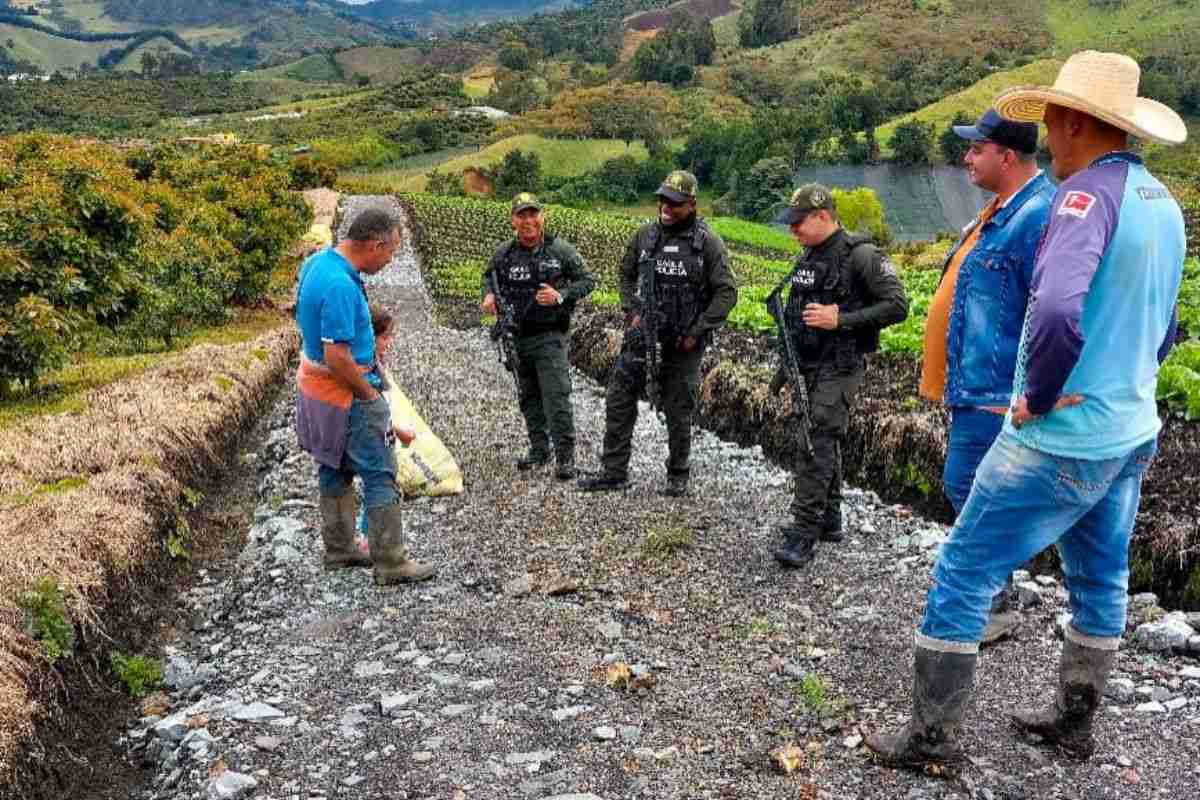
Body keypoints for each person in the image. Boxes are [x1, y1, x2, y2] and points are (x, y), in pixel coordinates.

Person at [867, 50, 1186, 768]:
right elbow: (1165, 325)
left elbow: (1057, 311)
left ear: (1074, 120)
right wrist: (1124, 377)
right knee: (1101, 577)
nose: (1046, 136)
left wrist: (1037, 398)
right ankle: (1075, 724)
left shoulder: (1082, 200)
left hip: (1061, 435)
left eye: (1049, 122)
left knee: (963, 569)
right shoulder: (1159, 202)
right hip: (1130, 429)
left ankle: (930, 739)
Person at [919, 109, 1056, 643]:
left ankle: (992, 598)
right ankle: (991, 590)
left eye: (976, 149)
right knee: (969, 485)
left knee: (968, 485)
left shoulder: (1038, 216)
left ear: (1006, 155)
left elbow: (1050, 307)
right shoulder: (1000, 211)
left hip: (998, 391)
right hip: (974, 386)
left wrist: (1031, 387)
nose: (967, 157)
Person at [768, 184, 908, 567]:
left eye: (798, 223)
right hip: (809, 361)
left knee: (816, 438)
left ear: (823, 216)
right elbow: (797, 314)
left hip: (841, 363)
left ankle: (804, 531)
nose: (792, 230)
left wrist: (840, 319)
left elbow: (898, 306)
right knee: (822, 438)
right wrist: (786, 366)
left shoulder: (861, 255)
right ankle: (830, 520)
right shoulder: (809, 257)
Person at [295, 208, 436, 585]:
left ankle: (340, 548)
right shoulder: (341, 285)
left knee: (333, 465)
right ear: (375, 245)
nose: (390, 261)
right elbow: (337, 355)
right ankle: (390, 561)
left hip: (316, 391)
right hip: (345, 392)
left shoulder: (316, 265)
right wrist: (370, 394)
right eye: (390, 252)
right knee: (380, 473)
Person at [577, 170, 737, 496]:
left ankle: (678, 473)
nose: (666, 207)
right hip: (645, 332)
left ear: (691, 204)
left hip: (684, 340)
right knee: (619, 396)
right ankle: (613, 470)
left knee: (679, 407)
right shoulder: (645, 236)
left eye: (674, 202)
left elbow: (726, 293)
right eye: (662, 199)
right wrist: (632, 312)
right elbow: (624, 273)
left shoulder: (707, 243)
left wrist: (697, 331)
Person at [481, 193, 595, 480]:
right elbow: (487, 276)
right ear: (513, 221)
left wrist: (561, 295)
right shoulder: (504, 253)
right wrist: (488, 295)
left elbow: (588, 281)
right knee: (528, 395)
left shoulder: (560, 250)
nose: (528, 221)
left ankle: (566, 457)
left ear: (542, 217)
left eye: (533, 214)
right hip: (516, 336)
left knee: (556, 395)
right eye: (522, 215)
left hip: (549, 336)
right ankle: (539, 449)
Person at [353, 305, 414, 553]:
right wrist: (399, 432)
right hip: (375, 433)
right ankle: (373, 541)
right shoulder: (366, 371)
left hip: (377, 430)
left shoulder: (370, 363)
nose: (389, 342)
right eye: (385, 337)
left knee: (376, 480)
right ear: (370, 336)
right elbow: (375, 412)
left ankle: (366, 536)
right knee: (381, 480)